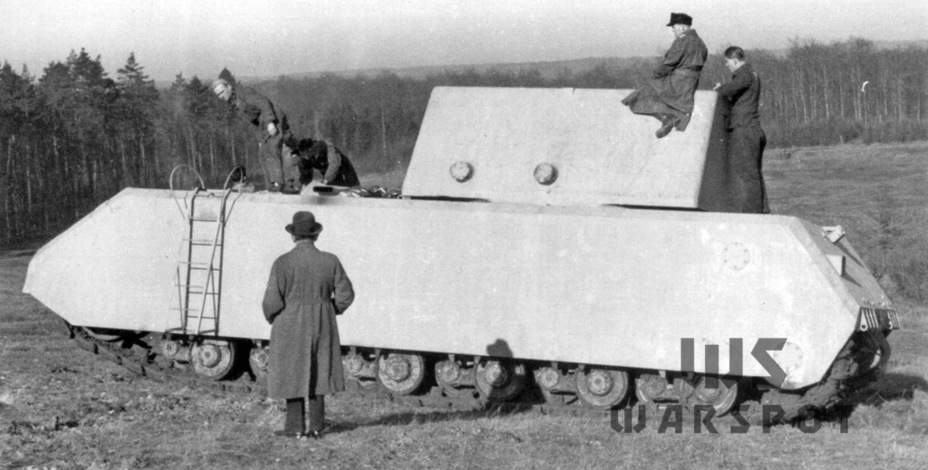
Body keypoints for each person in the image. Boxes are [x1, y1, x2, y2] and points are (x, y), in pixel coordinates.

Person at [262, 211, 355, 439]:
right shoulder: (330, 260)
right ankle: (316, 426)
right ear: (316, 236)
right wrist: (330, 309)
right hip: (323, 320)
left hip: (289, 321)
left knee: (292, 371)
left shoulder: (282, 262)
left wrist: (274, 316)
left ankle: (294, 428)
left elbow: (272, 301)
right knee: (319, 369)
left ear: (293, 236)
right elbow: (346, 295)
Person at [621, 12, 708, 138]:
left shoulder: (682, 41)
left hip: (677, 81)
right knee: (669, 103)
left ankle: (667, 119)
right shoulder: (701, 43)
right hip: (690, 84)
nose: (673, 30)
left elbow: (669, 63)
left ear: (682, 27)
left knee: (638, 95)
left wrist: (656, 76)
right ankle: (669, 118)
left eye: (674, 27)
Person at [211, 73, 300, 193]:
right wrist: (260, 139)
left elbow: (264, 103)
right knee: (263, 153)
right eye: (218, 95)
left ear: (229, 87)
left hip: (273, 117)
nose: (221, 96)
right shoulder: (233, 103)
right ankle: (272, 185)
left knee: (273, 148)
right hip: (262, 124)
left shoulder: (244, 93)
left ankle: (280, 184)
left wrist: (270, 122)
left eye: (222, 92)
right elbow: (252, 121)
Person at [713, 46, 770, 214]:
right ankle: (762, 210)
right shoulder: (751, 73)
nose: (727, 65)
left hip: (744, 129)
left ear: (735, 60)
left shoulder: (745, 73)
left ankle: (752, 214)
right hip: (752, 129)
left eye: (727, 62)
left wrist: (719, 90)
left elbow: (733, 87)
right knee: (754, 173)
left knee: (748, 175)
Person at [293, 138, 361, 188]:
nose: (306, 156)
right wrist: (302, 186)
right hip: (328, 171)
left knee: (353, 186)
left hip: (343, 166)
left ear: (312, 148)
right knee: (334, 186)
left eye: (307, 152)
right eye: (303, 154)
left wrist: (325, 181)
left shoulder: (325, 147)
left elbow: (334, 164)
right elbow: (304, 172)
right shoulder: (304, 157)